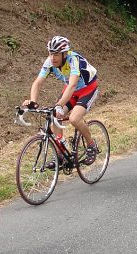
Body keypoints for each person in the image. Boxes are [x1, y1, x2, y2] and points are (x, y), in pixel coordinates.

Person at [23, 35, 101, 166]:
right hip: (71, 91)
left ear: (64, 54)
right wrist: (33, 101)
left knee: (74, 119)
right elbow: (37, 83)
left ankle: (91, 145)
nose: (53, 58)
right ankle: (61, 153)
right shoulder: (49, 62)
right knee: (54, 117)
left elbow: (72, 85)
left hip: (88, 89)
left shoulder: (73, 60)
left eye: (56, 54)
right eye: (50, 54)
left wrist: (60, 105)